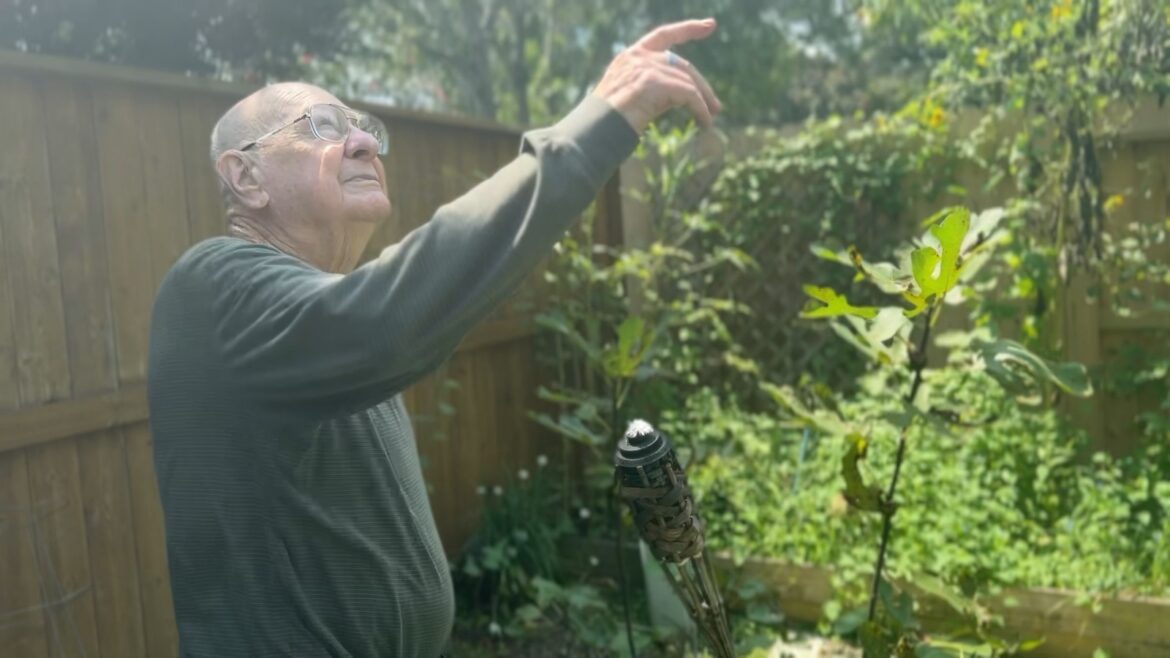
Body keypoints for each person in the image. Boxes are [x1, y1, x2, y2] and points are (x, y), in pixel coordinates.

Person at [147, 18, 722, 658]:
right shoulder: (211, 289)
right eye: (324, 127)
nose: (366, 141)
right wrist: (596, 125)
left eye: (366, 128)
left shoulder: (317, 312)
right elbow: (388, 319)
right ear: (246, 178)